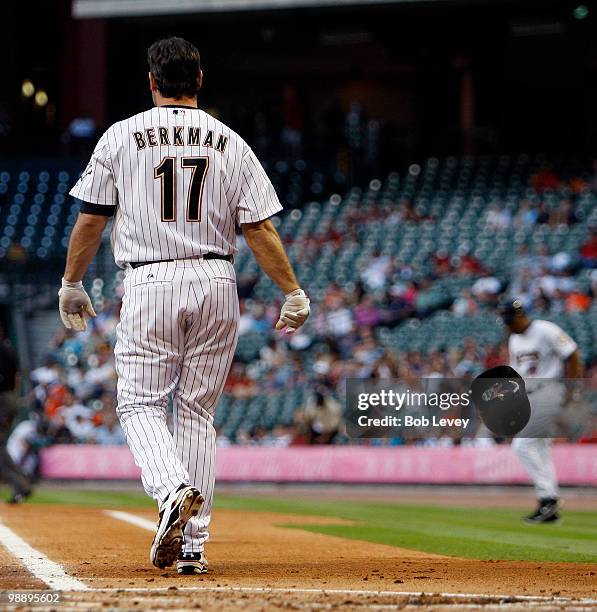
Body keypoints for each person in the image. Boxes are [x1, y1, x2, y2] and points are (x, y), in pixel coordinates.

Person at [58, 37, 310, 574]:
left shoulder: (121, 136)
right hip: (218, 278)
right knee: (196, 411)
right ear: (198, 80)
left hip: (151, 280)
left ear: (152, 81)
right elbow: (259, 228)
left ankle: (173, 490)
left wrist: (71, 282)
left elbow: (91, 219)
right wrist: (291, 290)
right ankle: (194, 545)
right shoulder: (230, 140)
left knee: (140, 405)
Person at [498, 299, 582, 523]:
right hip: (529, 395)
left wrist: (572, 388)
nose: (507, 325)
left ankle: (548, 499)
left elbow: (572, 354)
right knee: (541, 449)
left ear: (520, 315)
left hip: (549, 390)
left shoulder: (545, 329)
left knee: (522, 445)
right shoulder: (514, 339)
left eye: (510, 320)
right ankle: (549, 505)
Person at [0, 331, 33, 503]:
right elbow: (18, 376)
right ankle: (21, 485)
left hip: (3, 400)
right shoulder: (9, 349)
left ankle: (21, 485)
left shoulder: (2, 350)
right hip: (9, 398)